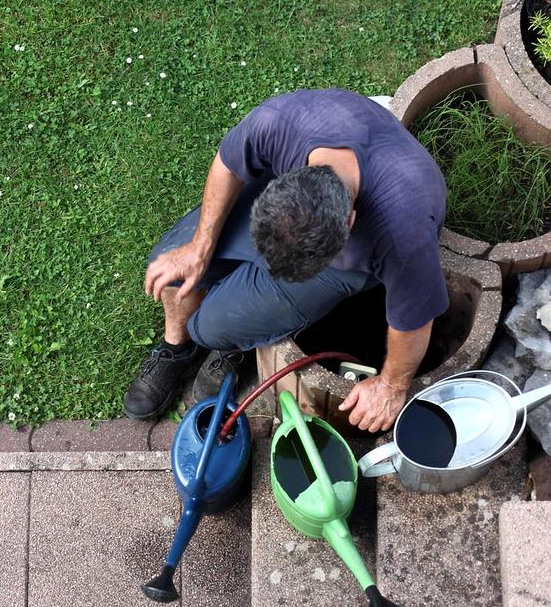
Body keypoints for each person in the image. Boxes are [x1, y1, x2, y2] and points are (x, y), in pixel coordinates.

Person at [124, 89, 448, 433]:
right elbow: (227, 163)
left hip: (352, 263)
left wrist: (390, 386)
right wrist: (200, 246)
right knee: (168, 268)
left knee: (211, 327)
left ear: (350, 223)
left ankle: (229, 345)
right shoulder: (280, 124)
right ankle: (177, 348)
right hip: (300, 215)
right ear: (282, 181)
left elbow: (414, 319)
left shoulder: (402, 234)